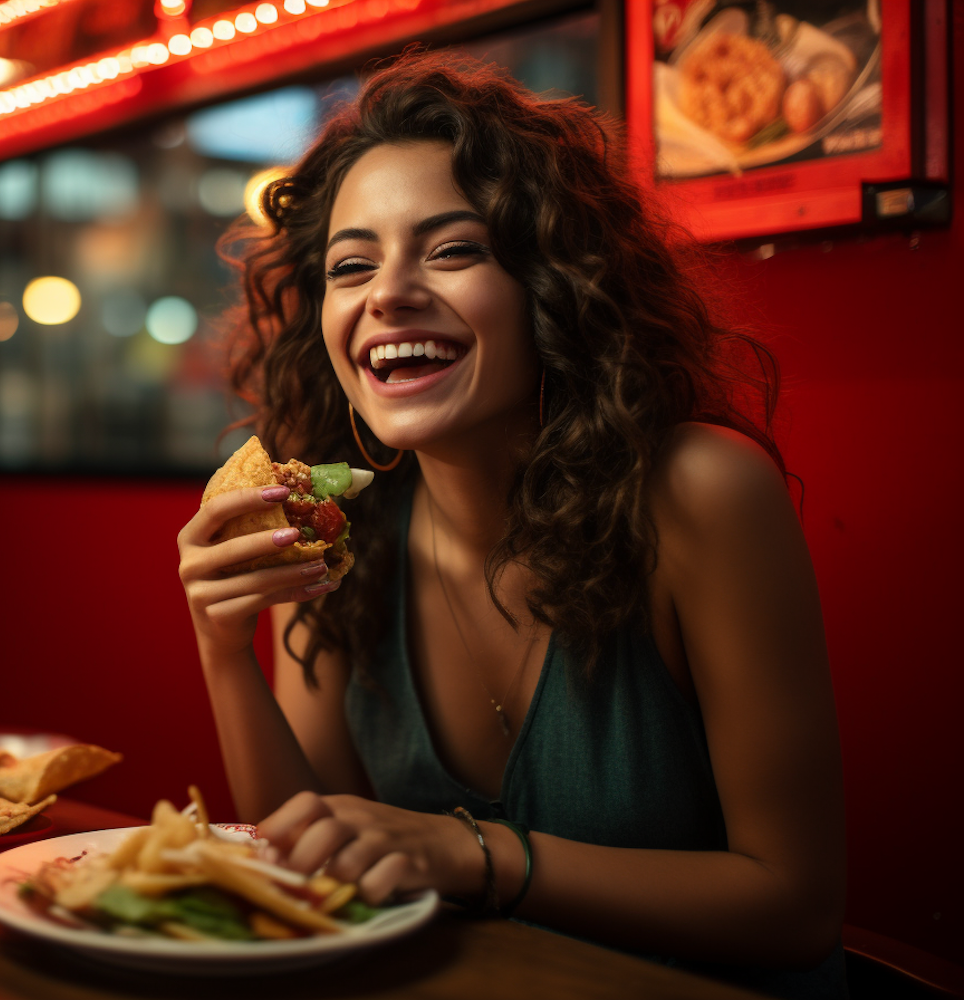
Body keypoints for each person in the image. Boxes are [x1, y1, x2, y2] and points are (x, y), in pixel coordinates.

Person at [175, 56, 844, 998]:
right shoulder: (326, 535)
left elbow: (795, 905)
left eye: (452, 250)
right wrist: (220, 648)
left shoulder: (699, 494)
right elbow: (310, 857)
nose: (386, 294)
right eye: (351, 266)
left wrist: (474, 854)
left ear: (554, 285)